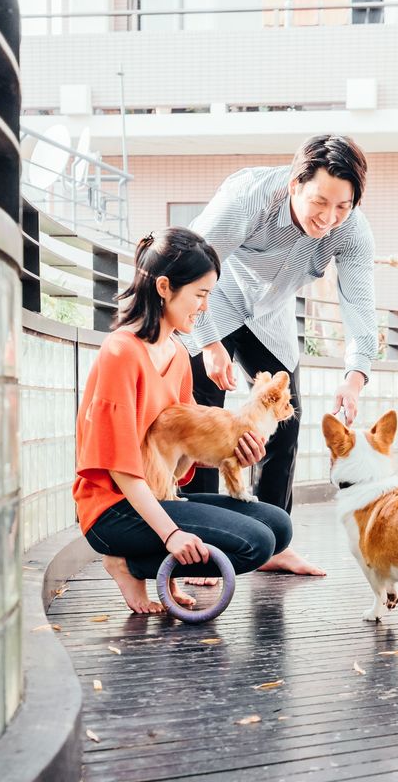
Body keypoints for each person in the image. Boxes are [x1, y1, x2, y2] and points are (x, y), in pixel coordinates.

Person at [179, 134, 378, 577]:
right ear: (295, 185)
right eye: (319, 202)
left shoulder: (352, 230)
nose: (328, 218)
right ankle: (203, 546)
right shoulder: (248, 197)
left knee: (286, 422)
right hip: (217, 298)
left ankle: (273, 543)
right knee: (205, 417)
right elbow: (192, 262)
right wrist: (209, 343)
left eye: (342, 207)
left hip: (272, 314)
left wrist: (355, 375)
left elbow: (360, 304)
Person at [73, 227, 292, 614]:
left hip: (161, 493)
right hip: (114, 508)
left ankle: (149, 560)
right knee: (254, 542)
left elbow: (190, 452)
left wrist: (237, 452)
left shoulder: (177, 355)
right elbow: (119, 468)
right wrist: (171, 534)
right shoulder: (121, 352)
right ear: (163, 287)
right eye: (201, 295)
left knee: (277, 526)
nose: (205, 307)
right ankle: (128, 564)